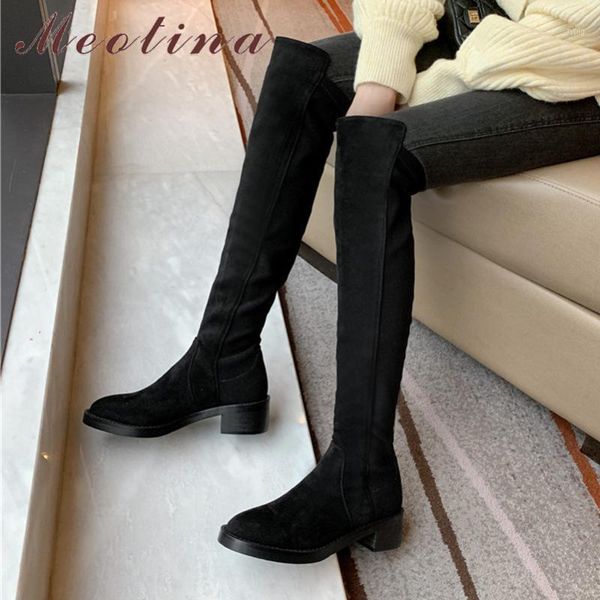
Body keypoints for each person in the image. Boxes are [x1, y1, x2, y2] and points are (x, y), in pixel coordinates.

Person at [82, 1, 600, 563]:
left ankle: (361, 474)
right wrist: (382, 75)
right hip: (473, 24)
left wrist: (430, 86)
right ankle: (222, 356)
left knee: (377, 147)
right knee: (300, 73)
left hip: (571, 62)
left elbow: (576, 26)